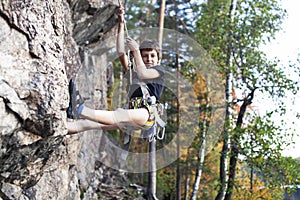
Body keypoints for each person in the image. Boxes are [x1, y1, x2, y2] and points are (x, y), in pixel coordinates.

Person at [66, 7, 165, 136]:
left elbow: (143, 74)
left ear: (159, 59)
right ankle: (63, 128)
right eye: (145, 56)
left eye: (152, 56)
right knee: (89, 124)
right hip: (132, 114)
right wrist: (121, 23)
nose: (149, 59)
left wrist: (136, 51)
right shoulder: (132, 74)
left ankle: (79, 110)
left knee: (119, 114)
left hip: (146, 113)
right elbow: (120, 51)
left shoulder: (158, 71)